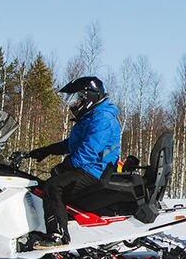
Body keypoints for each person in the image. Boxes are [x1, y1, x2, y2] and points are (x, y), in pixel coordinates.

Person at [27, 76, 122, 248]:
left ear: (89, 97)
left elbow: (90, 149)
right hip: (90, 167)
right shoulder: (92, 116)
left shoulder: (102, 118)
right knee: (48, 185)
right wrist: (46, 150)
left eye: (78, 98)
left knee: (53, 186)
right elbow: (73, 144)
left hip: (96, 170)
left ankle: (57, 236)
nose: (75, 103)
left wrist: (66, 166)